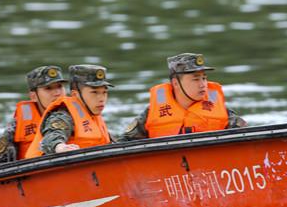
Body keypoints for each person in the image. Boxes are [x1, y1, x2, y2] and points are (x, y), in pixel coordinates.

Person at [118, 53, 247, 141]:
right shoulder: (151, 114)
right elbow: (123, 143)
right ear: (175, 83)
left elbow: (247, 136)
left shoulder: (221, 111)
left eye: (204, 78)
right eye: (196, 79)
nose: (203, 85)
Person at [25, 65, 114, 157]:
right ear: (75, 94)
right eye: (94, 92)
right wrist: (60, 147)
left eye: (104, 92)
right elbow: (50, 138)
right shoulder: (63, 116)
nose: (101, 99)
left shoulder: (93, 114)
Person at [0, 65, 67, 163]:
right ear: (34, 96)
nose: (57, 93)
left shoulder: (76, 114)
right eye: (48, 88)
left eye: (60, 86)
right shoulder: (17, 125)